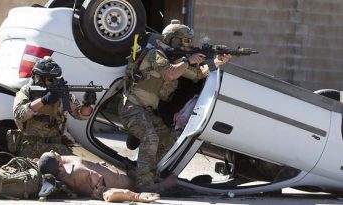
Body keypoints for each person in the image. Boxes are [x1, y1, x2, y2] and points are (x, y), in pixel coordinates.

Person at [119, 19, 231, 192]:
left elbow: (197, 75)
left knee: (169, 138)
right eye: (186, 41)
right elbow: (170, 74)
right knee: (151, 137)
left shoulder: (176, 60)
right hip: (131, 109)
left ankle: (147, 173)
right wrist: (188, 59)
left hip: (145, 111)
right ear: (174, 40)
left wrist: (217, 62)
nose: (189, 45)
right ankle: (144, 184)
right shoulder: (155, 54)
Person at [12, 56, 97, 158]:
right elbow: (19, 115)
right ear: (39, 78)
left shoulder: (62, 93)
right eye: (50, 78)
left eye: (55, 78)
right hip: (31, 145)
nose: (53, 81)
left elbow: (80, 115)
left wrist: (87, 104)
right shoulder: (26, 91)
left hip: (55, 145)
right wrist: (44, 100)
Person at [37, 151, 172, 202]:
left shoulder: (61, 164)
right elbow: (107, 194)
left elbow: (43, 164)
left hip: (128, 175)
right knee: (172, 180)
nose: (53, 151)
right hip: (135, 184)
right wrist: (136, 196)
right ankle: (164, 185)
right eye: (52, 154)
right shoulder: (75, 176)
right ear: (59, 167)